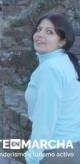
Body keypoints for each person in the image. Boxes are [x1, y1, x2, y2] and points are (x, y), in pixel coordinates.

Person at [25, 13, 80, 164]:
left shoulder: (51, 68)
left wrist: (33, 156)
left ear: (62, 41)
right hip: (71, 146)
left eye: (49, 32)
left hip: (55, 151)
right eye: (39, 29)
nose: (39, 35)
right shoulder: (64, 61)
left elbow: (45, 118)